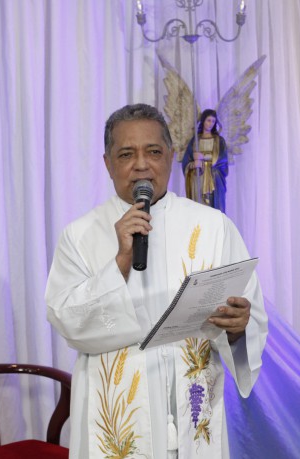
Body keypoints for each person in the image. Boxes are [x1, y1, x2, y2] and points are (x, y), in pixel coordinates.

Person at [45, 103, 267, 458]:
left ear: (171, 155)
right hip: (117, 421)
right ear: (107, 164)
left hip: (193, 412)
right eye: (126, 154)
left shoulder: (213, 227)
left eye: (153, 151)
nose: (141, 165)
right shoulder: (80, 235)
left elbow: (247, 314)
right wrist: (119, 261)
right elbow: (68, 322)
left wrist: (239, 327)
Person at [181, 109, 229, 213]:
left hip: (213, 180)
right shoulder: (195, 141)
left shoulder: (219, 141)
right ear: (203, 121)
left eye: (213, 121)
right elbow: (186, 162)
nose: (211, 123)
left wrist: (203, 157)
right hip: (198, 179)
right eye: (208, 120)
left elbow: (223, 160)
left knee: (212, 208)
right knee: (199, 207)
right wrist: (193, 164)